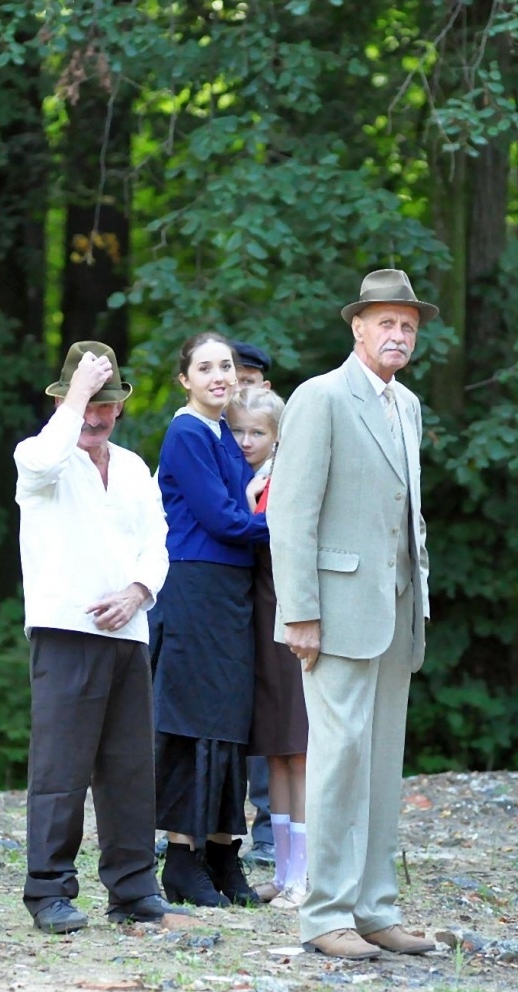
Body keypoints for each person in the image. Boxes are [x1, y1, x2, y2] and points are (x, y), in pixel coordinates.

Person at [267, 269, 435, 960]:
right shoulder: (321, 397)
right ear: (358, 327)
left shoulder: (409, 404)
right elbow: (291, 510)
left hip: (396, 609)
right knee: (336, 760)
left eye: (408, 326)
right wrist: (300, 611)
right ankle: (326, 911)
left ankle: (374, 906)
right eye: (386, 323)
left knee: (380, 764)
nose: (398, 335)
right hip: (333, 612)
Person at [13, 342, 177, 933]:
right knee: (61, 767)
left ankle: (133, 890)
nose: (96, 417)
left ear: (121, 410)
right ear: (64, 401)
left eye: (106, 405)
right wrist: (76, 391)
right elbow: (38, 463)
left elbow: (157, 539)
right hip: (64, 627)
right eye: (87, 404)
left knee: (131, 766)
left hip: (130, 629)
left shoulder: (132, 467)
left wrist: (137, 591)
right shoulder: (42, 457)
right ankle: (48, 891)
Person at [152, 332, 269, 908]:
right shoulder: (187, 432)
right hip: (195, 582)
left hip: (232, 589)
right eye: (206, 367)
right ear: (186, 379)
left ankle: (224, 854)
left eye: (226, 366)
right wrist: (288, 529)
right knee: (193, 720)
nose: (219, 375)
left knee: (229, 722)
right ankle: (181, 858)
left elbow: (247, 503)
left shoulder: (225, 432)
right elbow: (224, 519)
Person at [228, 387, 311, 907]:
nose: (245, 441)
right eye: (237, 430)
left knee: (300, 752)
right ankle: (282, 871)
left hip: (291, 625)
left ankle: (305, 876)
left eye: (256, 432)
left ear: (278, 437)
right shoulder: (243, 480)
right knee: (276, 754)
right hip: (258, 626)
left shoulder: (285, 482)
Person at [230, 338, 277, 867]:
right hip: (217, 594)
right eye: (226, 375)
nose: (237, 385)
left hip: (268, 595)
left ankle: (268, 829)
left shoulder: (279, 442)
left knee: (270, 709)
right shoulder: (203, 437)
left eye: (245, 376)